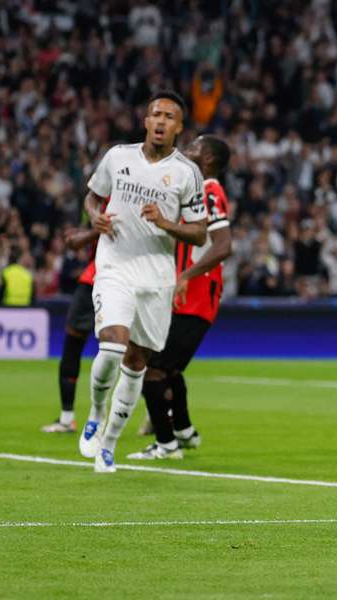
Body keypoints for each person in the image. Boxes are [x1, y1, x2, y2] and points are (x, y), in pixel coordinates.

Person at [78, 90, 207, 473]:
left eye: (169, 116)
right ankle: (95, 415)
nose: (161, 121)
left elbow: (200, 234)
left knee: (136, 363)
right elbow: (91, 198)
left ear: (179, 127)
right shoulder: (118, 157)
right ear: (146, 121)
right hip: (115, 266)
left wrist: (167, 223)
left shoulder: (187, 173)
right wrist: (93, 217)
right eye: (156, 114)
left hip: (157, 278)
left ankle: (109, 445)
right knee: (113, 347)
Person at [128, 135, 233, 460]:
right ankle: (184, 431)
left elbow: (222, 245)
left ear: (210, 160)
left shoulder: (210, 189)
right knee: (169, 368)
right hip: (185, 291)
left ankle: (166, 444)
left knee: (153, 369)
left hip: (196, 293)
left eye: (196, 147)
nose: (187, 149)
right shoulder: (192, 192)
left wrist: (185, 275)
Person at [41, 227, 102, 433]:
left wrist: (86, 233)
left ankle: (67, 418)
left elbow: (77, 241)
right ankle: (159, 416)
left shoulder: (109, 199)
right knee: (133, 352)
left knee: (73, 345)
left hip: (98, 278)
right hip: (131, 278)